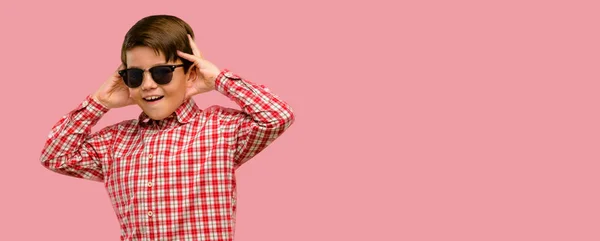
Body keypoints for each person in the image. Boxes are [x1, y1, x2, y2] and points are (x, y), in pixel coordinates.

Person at [39, 14, 295, 241]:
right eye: (136, 76)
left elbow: (277, 116)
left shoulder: (221, 130)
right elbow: (55, 156)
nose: (148, 85)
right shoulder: (114, 142)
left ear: (191, 74)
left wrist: (219, 79)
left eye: (162, 72)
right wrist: (99, 102)